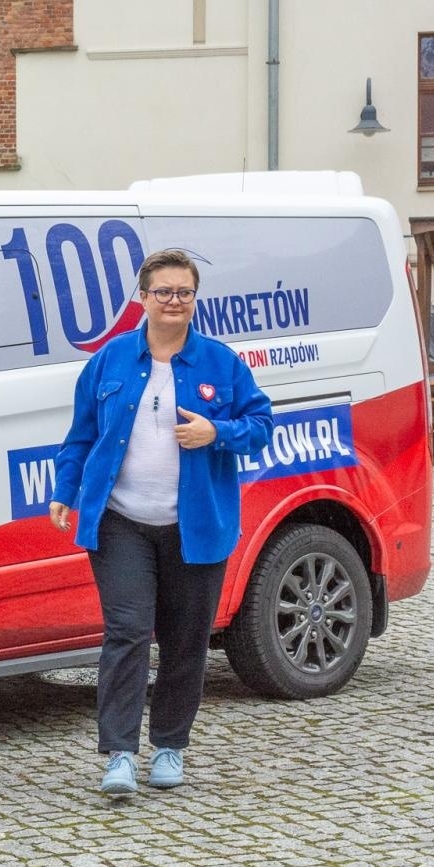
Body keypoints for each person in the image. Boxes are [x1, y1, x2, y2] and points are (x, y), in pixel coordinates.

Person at [48, 248, 272, 799]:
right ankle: (120, 754)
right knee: (127, 631)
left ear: (195, 299)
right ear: (142, 299)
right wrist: (64, 490)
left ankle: (170, 744)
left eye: (185, 293)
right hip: (121, 520)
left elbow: (261, 424)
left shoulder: (221, 363)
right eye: (164, 292)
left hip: (196, 527)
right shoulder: (109, 360)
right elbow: (81, 434)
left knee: (185, 639)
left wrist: (216, 433)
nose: (174, 301)